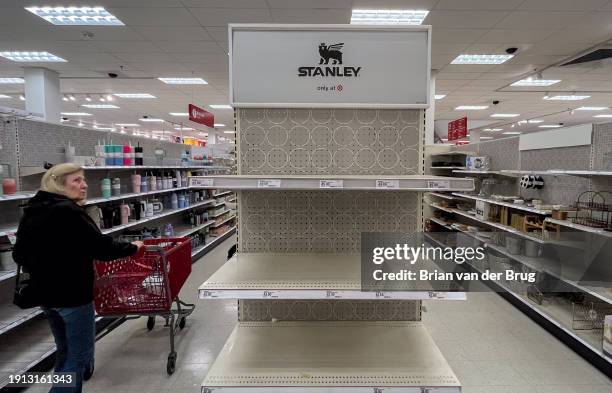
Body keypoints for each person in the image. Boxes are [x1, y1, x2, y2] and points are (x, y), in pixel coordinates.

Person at [12, 163, 143, 393]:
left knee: (64, 352)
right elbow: (100, 247)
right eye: (76, 180)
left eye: (83, 180)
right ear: (58, 183)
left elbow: (19, 254)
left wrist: (50, 260)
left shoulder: (33, 209)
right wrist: (132, 247)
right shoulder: (68, 211)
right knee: (78, 357)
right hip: (73, 296)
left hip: (46, 297)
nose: (84, 185)